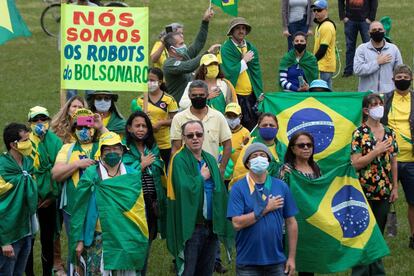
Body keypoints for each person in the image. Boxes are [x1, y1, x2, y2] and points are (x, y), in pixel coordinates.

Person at [70, 132, 148, 274]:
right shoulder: (91, 174)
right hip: (98, 237)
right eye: (107, 149)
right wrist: (80, 240)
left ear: (122, 150)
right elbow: (80, 209)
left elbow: (138, 209)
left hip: (125, 236)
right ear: (100, 152)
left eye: (116, 148)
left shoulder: (131, 174)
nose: (112, 152)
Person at [166, 120, 233, 276]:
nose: (195, 138)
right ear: (183, 138)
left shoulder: (209, 158)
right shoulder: (179, 159)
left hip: (212, 224)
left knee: (206, 270)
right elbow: (183, 188)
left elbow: (219, 189)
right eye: (190, 135)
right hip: (192, 226)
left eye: (199, 134)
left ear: (204, 136)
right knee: (189, 271)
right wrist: (200, 178)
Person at [227, 143, 298, 276]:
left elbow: (291, 222)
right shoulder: (238, 188)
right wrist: (265, 208)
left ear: (268, 161)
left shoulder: (281, 186)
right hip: (248, 263)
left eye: (263, 155)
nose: (259, 158)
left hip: (276, 261)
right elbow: (236, 223)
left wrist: (292, 258)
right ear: (248, 163)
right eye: (254, 156)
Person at [52, 108, 106, 268]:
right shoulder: (67, 149)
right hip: (74, 208)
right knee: (76, 249)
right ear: (74, 130)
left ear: (93, 129)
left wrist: (101, 127)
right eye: (79, 127)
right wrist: (77, 164)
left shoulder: (103, 144)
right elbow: (56, 174)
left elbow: (118, 144)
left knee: (98, 248)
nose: (83, 131)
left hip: (99, 208)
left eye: (87, 127)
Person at [350, 93, 399, 275]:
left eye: (380, 103)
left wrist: (395, 186)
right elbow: (355, 163)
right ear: (366, 110)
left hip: (384, 191)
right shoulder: (359, 134)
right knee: (363, 234)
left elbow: (394, 161)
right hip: (363, 191)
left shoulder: (389, 132)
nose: (379, 106)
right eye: (374, 104)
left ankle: (377, 271)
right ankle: (361, 271)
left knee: (377, 234)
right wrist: (376, 151)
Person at [123, 111, 167, 274]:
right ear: (129, 128)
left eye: (144, 126)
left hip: (152, 205)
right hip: (133, 207)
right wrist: (141, 165)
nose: (141, 129)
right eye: (137, 125)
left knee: (147, 245)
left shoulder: (153, 149)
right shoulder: (123, 150)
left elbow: (159, 171)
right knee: (135, 245)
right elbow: (124, 176)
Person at [25, 107, 63, 276]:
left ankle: (47, 272)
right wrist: (33, 196)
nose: (40, 123)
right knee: (29, 238)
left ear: (48, 121)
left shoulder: (56, 142)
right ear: (30, 123)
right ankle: (29, 272)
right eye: (35, 120)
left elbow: (60, 170)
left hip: (49, 198)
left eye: (43, 119)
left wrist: (52, 196)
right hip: (30, 199)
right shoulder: (25, 143)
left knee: (47, 239)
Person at [170, 80, 232, 177]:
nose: (198, 98)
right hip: (188, 172)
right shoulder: (179, 118)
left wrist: (222, 168)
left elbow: (227, 144)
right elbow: (176, 148)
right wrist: (176, 171)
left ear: (207, 95)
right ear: (189, 96)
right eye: (194, 95)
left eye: (201, 95)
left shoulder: (218, 116)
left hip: (213, 171)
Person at [382, 64, 414, 249]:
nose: (402, 79)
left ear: (411, 79)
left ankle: (413, 237)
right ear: (393, 79)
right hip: (387, 160)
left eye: (405, 77)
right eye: (399, 77)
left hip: (411, 161)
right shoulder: (385, 100)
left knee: (413, 202)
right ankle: (381, 239)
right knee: (382, 202)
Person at [280, 131, 321, 276]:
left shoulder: (316, 168)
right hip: (290, 223)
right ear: (292, 148)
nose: (306, 148)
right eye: (301, 145)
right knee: (287, 267)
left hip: (310, 224)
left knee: (307, 266)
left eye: (309, 145)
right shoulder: (287, 170)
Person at [0, 123, 38, 276]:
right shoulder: (2, 168)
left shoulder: (28, 163)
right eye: (25, 140)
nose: (29, 144)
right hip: (8, 236)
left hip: (26, 231)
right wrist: (4, 242)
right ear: (13, 145)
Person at [163, 7, 220, 102]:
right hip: (179, 108)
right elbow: (189, 66)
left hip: (192, 104)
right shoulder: (169, 65)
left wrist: (205, 22)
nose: (184, 46)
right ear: (172, 49)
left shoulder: (184, 55)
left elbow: (199, 43)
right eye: (181, 44)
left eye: (183, 42)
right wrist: (207, 54)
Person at [221, 17, 263, 131]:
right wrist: (244, 61)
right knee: (235, 128)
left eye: (243, 28)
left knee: (253, 127)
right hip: (236, 96)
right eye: (238, 28)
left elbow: (256, 72)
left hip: (251, 96)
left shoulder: (251, 48)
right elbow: (228, 71)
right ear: (232, 31)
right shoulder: (226, 49)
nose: (241, 31)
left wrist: (260, 92)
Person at [131, 68, 178, 166]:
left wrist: (161, 123)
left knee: (166, 171)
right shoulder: (140, 100)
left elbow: (176, 120)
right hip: (146, 143)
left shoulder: (169, 99)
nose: (149, 82)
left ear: (160, 82)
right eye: (147, 80)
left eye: (152, 80)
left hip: (164, 144)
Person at [233, 113, 287, 182]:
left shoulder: (283, 148)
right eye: (264, 125)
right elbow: (239, 175)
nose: (268, 127)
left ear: (277, 128)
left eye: (271, 125)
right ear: (258, 128)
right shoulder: (250, 147)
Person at [353, 21, 403, 93]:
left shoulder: (393, 49)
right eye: (374, 30)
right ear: (369, 33)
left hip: (388, 94)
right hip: (367, 95)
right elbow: (358, 70)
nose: (377, 32)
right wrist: (377, 62)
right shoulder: (362, 49)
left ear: (384, 31)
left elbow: (399, 72)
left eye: (380, 29)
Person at [338, 0, 378, 77]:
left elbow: (374, 2)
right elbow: (340, 1)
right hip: (350, 21)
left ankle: (371, 69)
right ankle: (348, 71)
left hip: (365, 21)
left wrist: (371, 18)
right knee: (350, 47)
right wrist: (343, 16)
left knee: (369, 46)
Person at [311, 0, 336, 89]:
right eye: (314, 10)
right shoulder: (319, 26)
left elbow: (323, 49)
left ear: (326, 10)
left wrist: (312, 61)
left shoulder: (327, 26)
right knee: (327, 93)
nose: (316, 12)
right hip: (322, 65)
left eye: (319, 10)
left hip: (324, 66)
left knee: (323, 93)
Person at [225, 102, 250, 168]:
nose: (232, 119)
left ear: (240, 116)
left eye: (234, 116)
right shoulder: (223, 131)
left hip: (239, 168)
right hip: (226, 167)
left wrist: (244, 145)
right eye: (229, 116)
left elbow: (248, 152)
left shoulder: (245, 133)